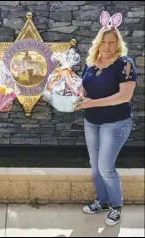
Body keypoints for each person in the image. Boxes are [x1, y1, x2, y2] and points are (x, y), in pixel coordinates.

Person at [75, 11, 137, 226]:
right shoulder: (91, 62)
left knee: (105, 167)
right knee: (95, 165)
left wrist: (92, 103)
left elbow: (125, 96)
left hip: (116, 122)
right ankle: (101, 201)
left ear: (118, 43)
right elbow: (82, 87)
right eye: (104, 42)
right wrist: (73, 92)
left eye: (112, 42)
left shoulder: (125, 64)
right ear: (98, 43)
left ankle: (116, 206)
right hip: (91, 121)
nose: (108, 46)